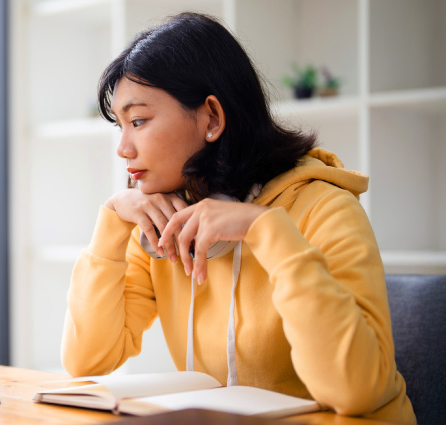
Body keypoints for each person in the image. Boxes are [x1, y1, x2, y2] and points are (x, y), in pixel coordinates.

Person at [60, 12, 416, 423]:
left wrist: (266, 232)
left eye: (138, 121)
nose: (123, 148)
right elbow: (87, 360)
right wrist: (110, 224)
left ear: (211, 117)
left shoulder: (325, 209)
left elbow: (357, 391)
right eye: (120, 126)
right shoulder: (167, 222)